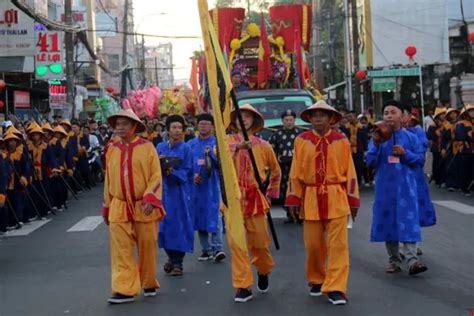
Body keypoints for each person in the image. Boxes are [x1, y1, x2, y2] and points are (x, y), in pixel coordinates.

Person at [285, 100, 360, 306]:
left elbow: (350, 171)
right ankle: (317, 278)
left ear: (330, 118)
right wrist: (293, 197)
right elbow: (295, 171)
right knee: (313, 245)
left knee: (338, 246)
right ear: (309, 118)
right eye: (314, 115)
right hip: (310, 197)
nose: (318, 118)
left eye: (322, 114)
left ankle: (336, 287)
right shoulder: (301, 140)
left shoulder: (341, 140)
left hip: (336, 195)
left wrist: (353, 199)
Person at [103, 109, 165, 304]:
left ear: (134, 127)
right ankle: (124, 289)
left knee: (147, 246)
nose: (120, 128)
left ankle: (148, 281)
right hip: (119, 206)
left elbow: (156, 175)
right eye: (117, 124)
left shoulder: (147, 148)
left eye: (124, 124)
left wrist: (150, 197)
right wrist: (107, 204)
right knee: (120, 250)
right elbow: (108, 180)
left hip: (143, 205)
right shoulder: (112, 149)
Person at [366, 100, 428, 275]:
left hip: (406, 188)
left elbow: (420, 161)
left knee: (408, 221)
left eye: (393, 112)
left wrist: (405, 154)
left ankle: (412, 261)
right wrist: (376, 145)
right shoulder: (377, 137)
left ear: (402, 116)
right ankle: (394, 260)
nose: (389, 116)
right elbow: (369, 162)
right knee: (389, 223)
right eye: (386, 113)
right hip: (385, 189)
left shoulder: (411, 137)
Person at [228, 104, 281, 302]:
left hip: (255, 198)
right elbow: (220, 159)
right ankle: (243, 285)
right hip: (233, 199)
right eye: (240, 116)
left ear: (254, 121)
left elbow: (276, 172)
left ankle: (263, 270)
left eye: (247, 117)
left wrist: (269, 194)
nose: (243, 119)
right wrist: (237, 148)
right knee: (237, 244)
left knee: (260, 243)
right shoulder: (226, 142)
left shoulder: (264, 145)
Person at [156, 115, 194, 276]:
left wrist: (172, 172)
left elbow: (187, 171)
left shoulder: (186, 149)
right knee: (162, 227)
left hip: (179, 193)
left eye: (179, 128)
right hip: (161, 192)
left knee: (178, 226)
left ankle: (178, 262)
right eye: (174, 128)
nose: (177, 131)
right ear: (168, 130)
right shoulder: (160, 147)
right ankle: (171, 258)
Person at [187, 113, 226, 262]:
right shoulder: (190, 144)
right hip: (196, 187)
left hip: (212, 186)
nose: (203, 126)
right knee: (199, 217)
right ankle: (206, 250)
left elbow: (223, 164)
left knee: (215, 215)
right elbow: (186, 165)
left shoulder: (218, 143)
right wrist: (192, 176)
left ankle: (218, 248)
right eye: (201, 123)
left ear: (212, 126)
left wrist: (212, 157)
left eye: (206, 123)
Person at [268, 110, 304, 223]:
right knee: (284, 191)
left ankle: (300, 214)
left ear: (294, 120)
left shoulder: (301, 133)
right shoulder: (277, 134)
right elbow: (270, 150)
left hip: (298, 168)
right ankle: (289, 214)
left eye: (291, 120)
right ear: (282, 121)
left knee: (299, 190)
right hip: (283, 169)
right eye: (286, 120)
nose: (289, 122)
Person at [454, 104, 473, 196]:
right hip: (465, 149)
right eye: (470, 111)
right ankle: (464, 188)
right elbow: (460, 136)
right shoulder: (461, 124)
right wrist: (470, 136)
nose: (472, 113)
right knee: (465, 169)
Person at [346, 111, 368, 186]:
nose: (349, 118)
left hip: (359, 150)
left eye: (350, 116)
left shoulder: (361, 127)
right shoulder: (346, 127)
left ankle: (358, 183)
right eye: (348, 117)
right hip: (349, 150)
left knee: (359, 166)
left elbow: (364, 139)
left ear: (355, 116)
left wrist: (365, 150)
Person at [427, 107, 447, 187]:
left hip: (445, 146)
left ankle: (443, 179)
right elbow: (430, 136)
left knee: (444, 163)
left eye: (444, 114)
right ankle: (437, 179)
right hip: (436, 146)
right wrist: (437, 133)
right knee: (436, 163)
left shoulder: (446, 124)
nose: (443, 116)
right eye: (441, 115)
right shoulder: (433, 125)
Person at [442, 108, 460, 191]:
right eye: (451, 114)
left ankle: (458, 183)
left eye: (454, 113)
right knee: (450, 165)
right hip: (449, 147)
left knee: (459, 165)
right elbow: (444, 137)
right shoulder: (446, 125)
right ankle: (450, 183)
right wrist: (443, 148)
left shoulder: (460, 124)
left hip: (459, 147)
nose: (453, 115)